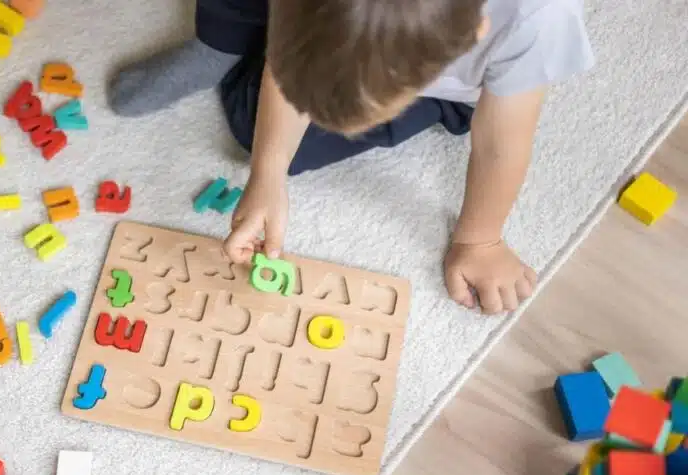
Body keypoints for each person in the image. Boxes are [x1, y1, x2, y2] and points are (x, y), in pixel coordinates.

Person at [107, 0, 594, 314]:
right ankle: (221, 42)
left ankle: (256, 47)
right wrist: (267, 171)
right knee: (269, 130)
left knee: (256, 123)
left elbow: (500, 144)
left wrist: (480, 242)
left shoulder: (537, 19)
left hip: (456, 88)